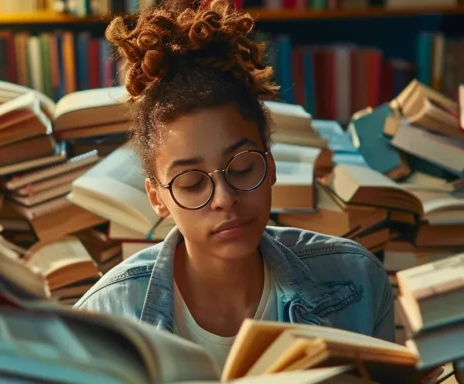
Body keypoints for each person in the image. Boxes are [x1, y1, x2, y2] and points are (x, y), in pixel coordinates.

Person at [73, 0, 395, 366]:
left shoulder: (358, 284)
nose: (224, 199)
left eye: (242, 168)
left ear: (271, 166)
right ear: (157, 198)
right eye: (192, 182)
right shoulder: (105, 322)